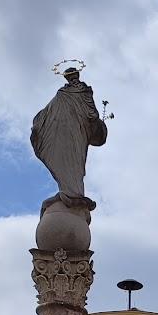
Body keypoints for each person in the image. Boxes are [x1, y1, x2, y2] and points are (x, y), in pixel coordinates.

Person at [30, 66, 108, 212]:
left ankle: (73, 192)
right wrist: (40, 122)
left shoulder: (78, 91)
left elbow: (91, 114)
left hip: (77, 133)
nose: (72, 79)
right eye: (71, 77)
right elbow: (91, 115)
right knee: (68, 160)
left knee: (74, 162)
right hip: (69, 133)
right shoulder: (66, 93)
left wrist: (39, 122)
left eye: (73, 76)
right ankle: (71, 191)